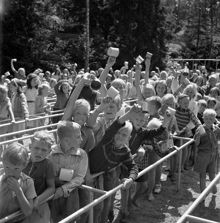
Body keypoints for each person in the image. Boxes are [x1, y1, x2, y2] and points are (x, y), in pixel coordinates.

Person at [49, 121, 88, 223]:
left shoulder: (82, 155)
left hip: (70, 193)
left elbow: (80, 177)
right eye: (78, 137)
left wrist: (63, 189)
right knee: (53, 218)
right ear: (66, 140)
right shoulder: (50, 153)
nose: (82, 139)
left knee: (70, 219)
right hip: (52, 193)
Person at [23, 130, 55, 223]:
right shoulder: (23, 159)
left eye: (44, 150)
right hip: (22, 201)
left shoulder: (48, 164)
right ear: (30, 147)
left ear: (49, 151)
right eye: (36, 148)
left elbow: (51, 188)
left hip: (39, 202)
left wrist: (38, 200)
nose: (39, 152)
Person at [0, 143, 36, 221]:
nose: (10, 172)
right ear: (3, 162)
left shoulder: (28, 182)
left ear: (24, 165)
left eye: (16, 168)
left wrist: (18, 190)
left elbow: (28, 212)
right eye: (7, 167)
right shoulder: (1, 178)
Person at [194, 109, 220, 197]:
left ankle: (213, 187)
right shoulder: (200, 129)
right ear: (203, 118)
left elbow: (218, 139)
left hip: (213, 154)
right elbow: (196, 143)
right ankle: (203, 194)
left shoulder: (216, 129)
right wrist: (198, 136)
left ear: (214, 119)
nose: (209, 120)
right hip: (203, 155)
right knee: (202, 174)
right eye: (207, 118)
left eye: (211, 119)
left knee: (212, 173)